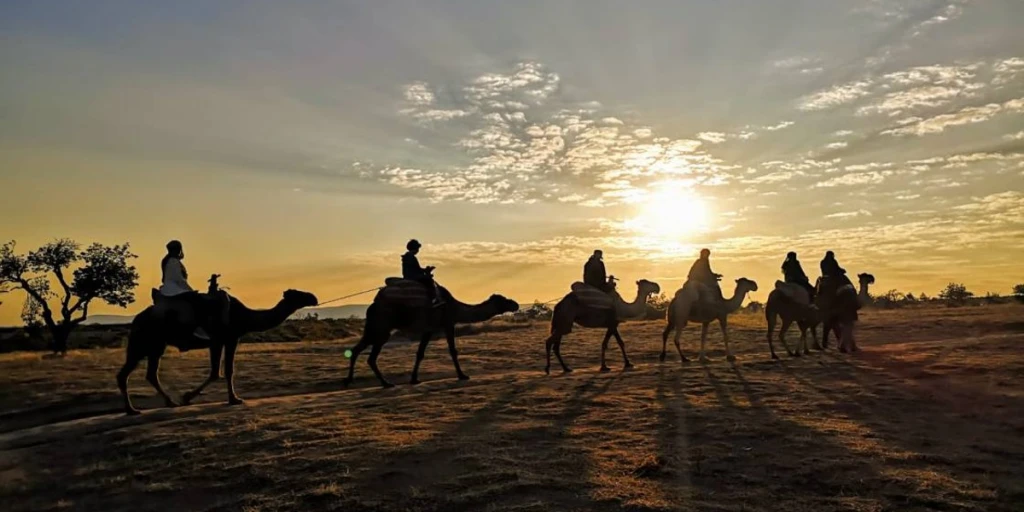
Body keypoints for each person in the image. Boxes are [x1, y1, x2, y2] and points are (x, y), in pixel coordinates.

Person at [158, 240, 226, 340]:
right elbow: (179, 280)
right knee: (197, 302)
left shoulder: (168, 260)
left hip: (171, 288)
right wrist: (190, 290)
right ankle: (198, 327)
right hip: (174, 289)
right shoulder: (173, 261)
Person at [402, 239, 443, 306]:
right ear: (416, 248)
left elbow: (415, 268)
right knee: (429, 281)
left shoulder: (407, 256)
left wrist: (425, 270)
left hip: (410, 275)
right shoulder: (411, 257)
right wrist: (426, 271)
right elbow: (416, 269)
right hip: (413, 277)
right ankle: (433, 300)